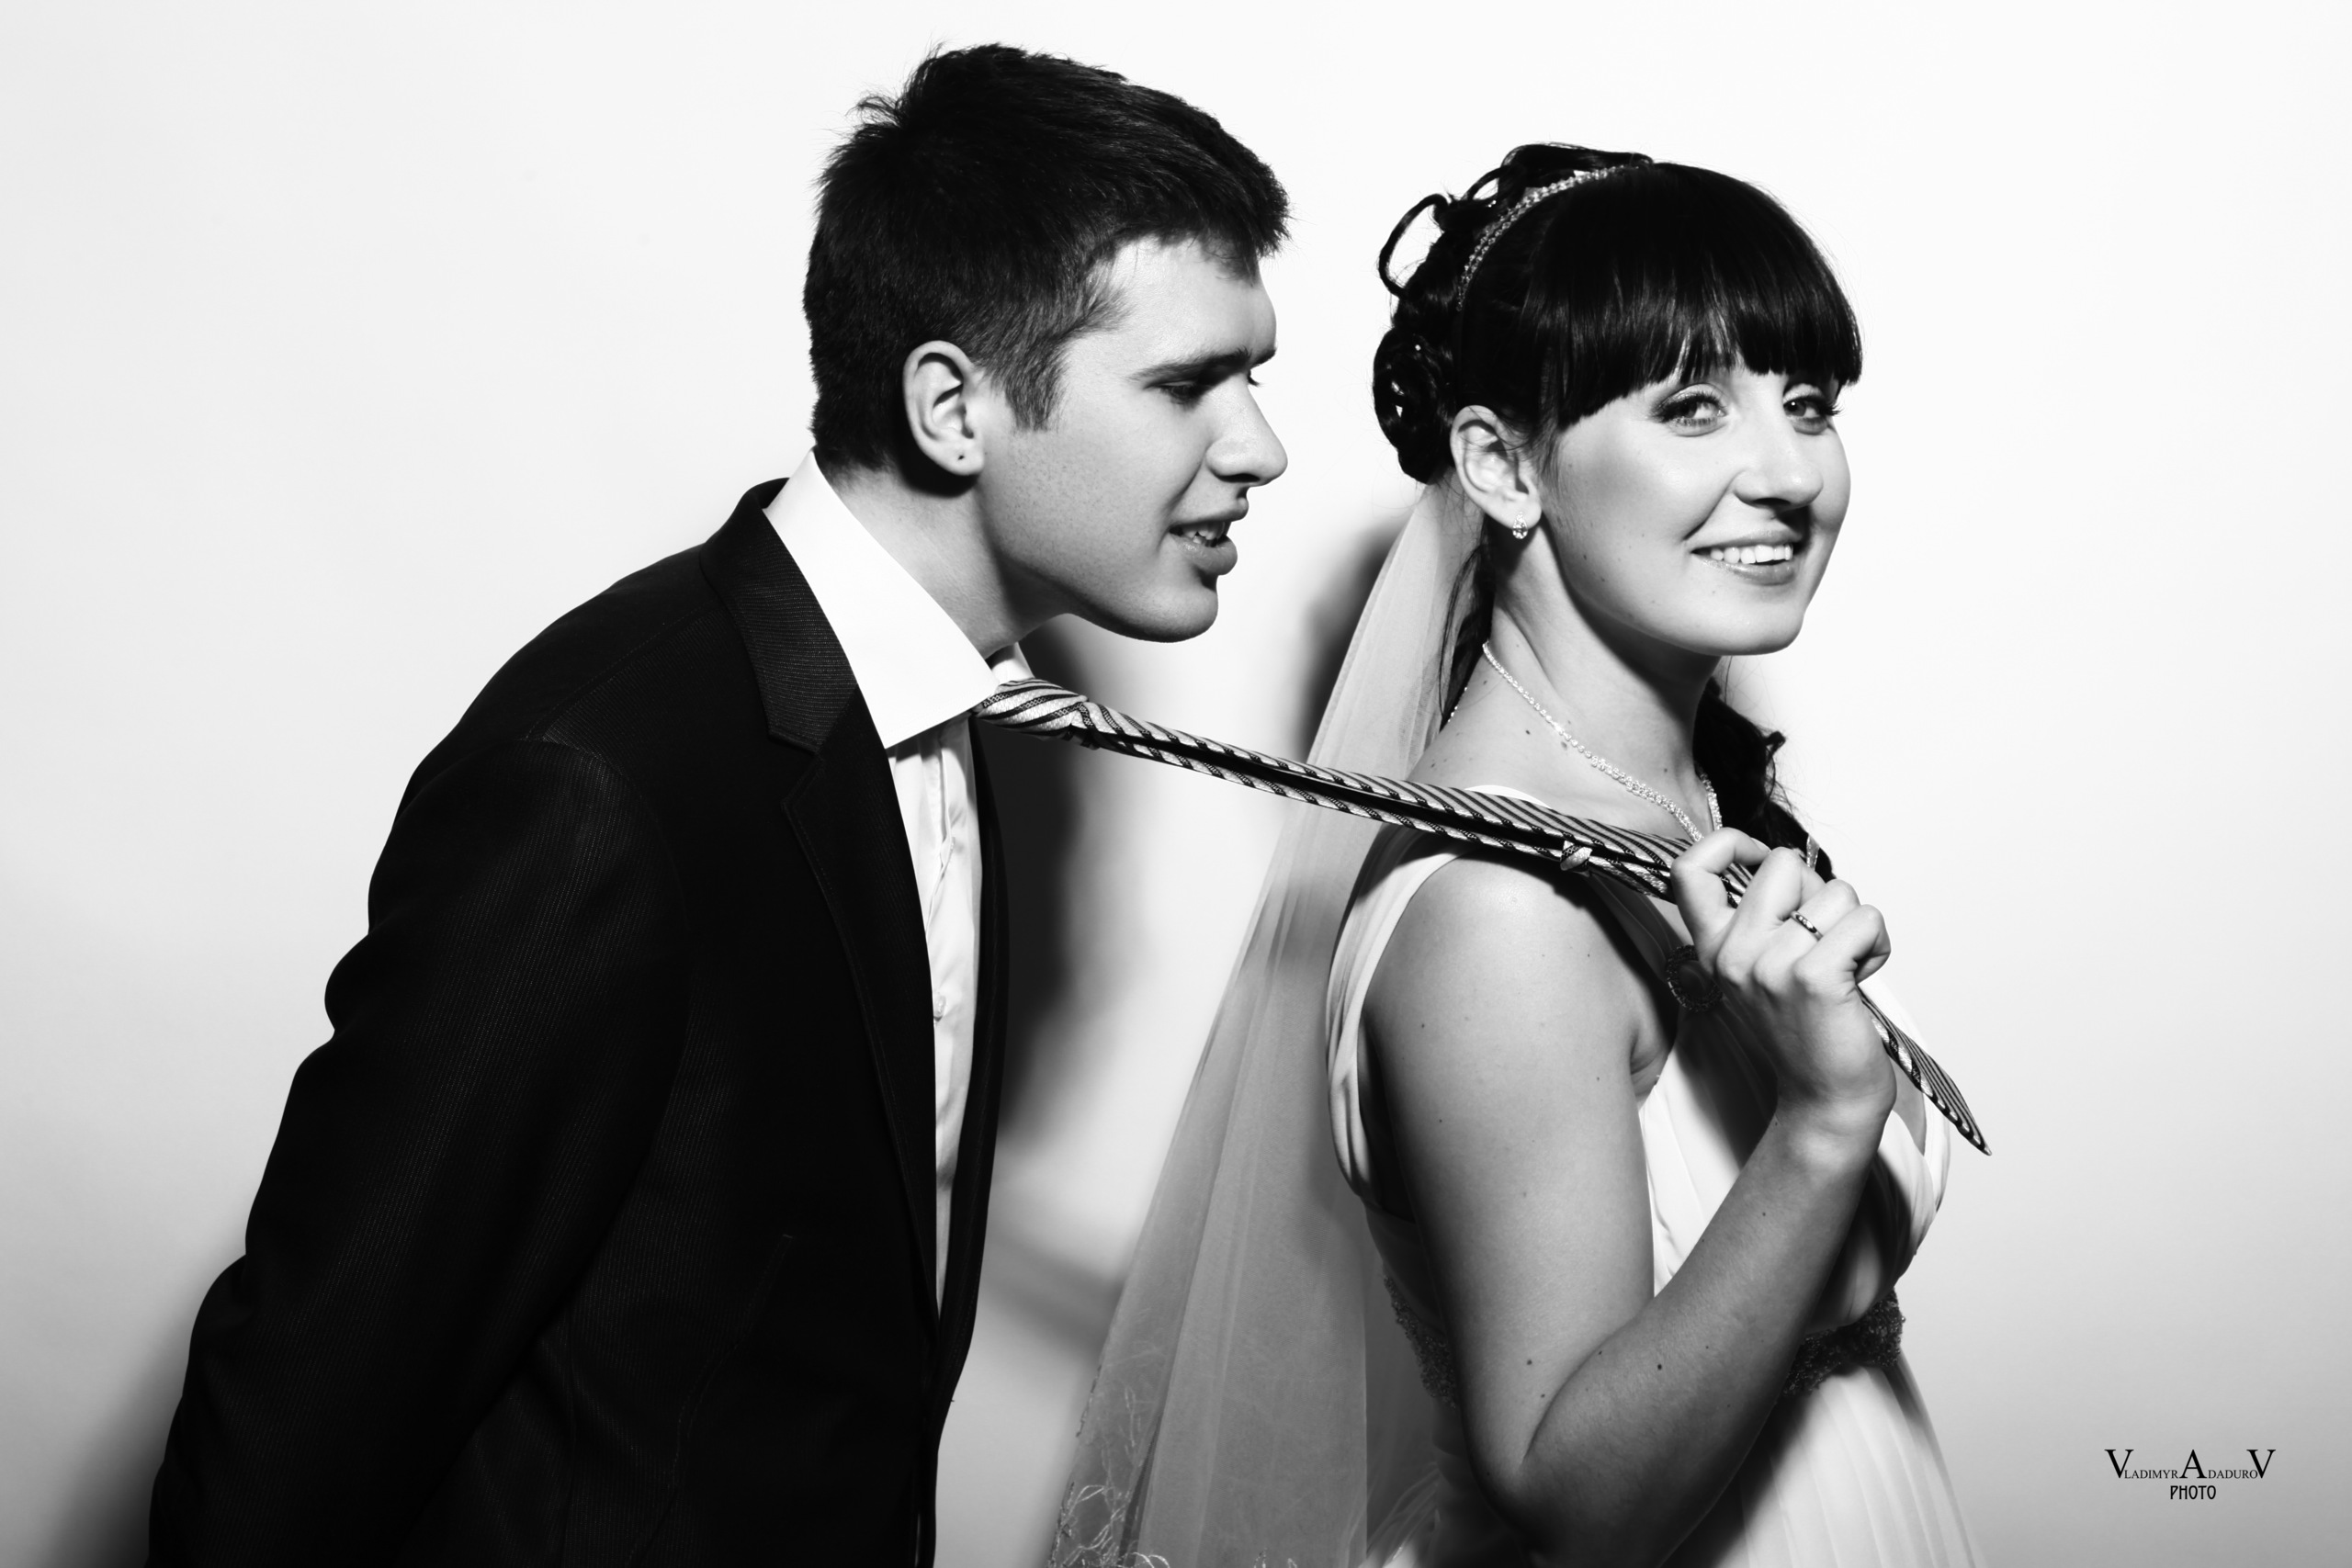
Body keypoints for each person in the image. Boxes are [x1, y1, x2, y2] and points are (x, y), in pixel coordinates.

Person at [147, 45, 1287, 1566]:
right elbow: (299, 1420)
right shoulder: (600, 787)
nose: (1260, 448)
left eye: (1252, 379)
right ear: (952, 408)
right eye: (1188, 385)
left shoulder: (939, 715)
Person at [1055, 146, 1977, 1566]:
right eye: (1692, 407)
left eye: (1808, 405)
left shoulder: (1691, 801)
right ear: (1501, 465)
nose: (1790, 472)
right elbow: (1576, 1499)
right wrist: (1820, 1120)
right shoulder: (1500, 913)